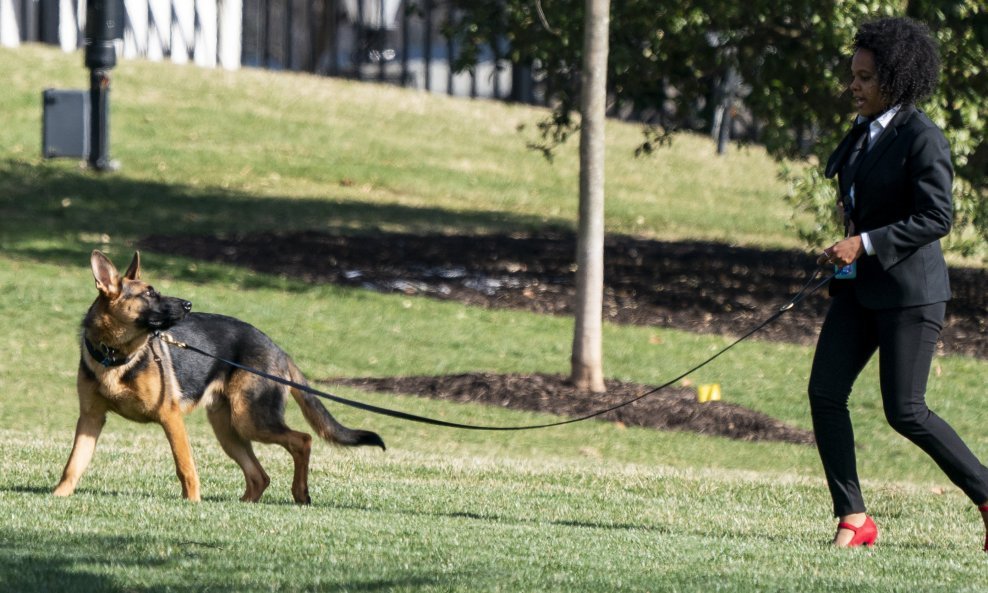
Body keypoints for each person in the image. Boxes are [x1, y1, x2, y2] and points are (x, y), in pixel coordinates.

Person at [811, 16, 988, 550]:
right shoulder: (863, 133)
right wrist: (846, 255)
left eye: (865, 77)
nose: (855, 86)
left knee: (905, 411)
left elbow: (938, 216)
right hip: (860, 289)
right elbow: (858, 209)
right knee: (825, 392)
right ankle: (854, 518)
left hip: (912, 294)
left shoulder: (922, 136)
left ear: (894, 79)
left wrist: (863, 243)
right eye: (854, 76)